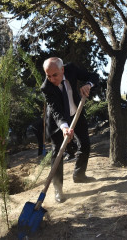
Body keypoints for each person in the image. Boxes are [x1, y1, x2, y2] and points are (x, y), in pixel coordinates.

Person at [41, 57, 98, 203]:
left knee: (84, 144)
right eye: (48, 76)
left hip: (76, 114)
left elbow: (93, 76)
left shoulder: (72, 69)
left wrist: (88, 85)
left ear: (62, 70)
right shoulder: (46, 87)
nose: (52, 79)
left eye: (55, 75)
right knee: (57, 153)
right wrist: (65, 127)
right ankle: (58, 189)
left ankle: (79, 175)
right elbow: (55, 111)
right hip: (58, 122)